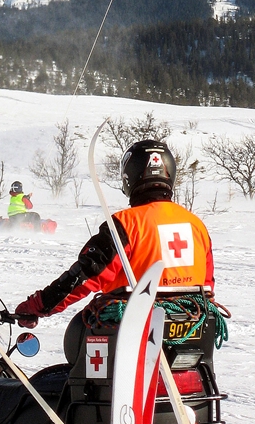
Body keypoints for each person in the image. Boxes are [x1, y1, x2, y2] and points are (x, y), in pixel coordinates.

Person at [15, 140, 214, 326]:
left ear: (129, 176)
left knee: (76, 336)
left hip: (134, 331)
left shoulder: (125, 224)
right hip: (190, 327)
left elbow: (85, 276)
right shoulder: (196, 225)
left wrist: (39, 305)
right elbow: (207, 286)